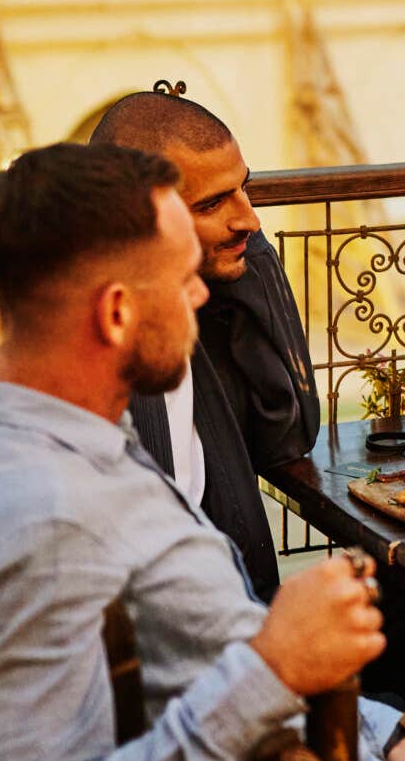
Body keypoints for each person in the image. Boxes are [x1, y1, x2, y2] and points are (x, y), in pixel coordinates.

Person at [0, 143, 405, 761]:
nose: (199, 297)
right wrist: (275, 665)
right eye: (181, 280)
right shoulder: (35, 515)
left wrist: (387, 742)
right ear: (117, 313)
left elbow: (207, 640)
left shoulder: (51, 433)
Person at [87, 89, 320, 598]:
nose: (251, 218)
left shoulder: (196, 312)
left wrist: (243, 254)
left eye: (244, 189)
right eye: (213, 203)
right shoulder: (98, 377)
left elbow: (289, 434)